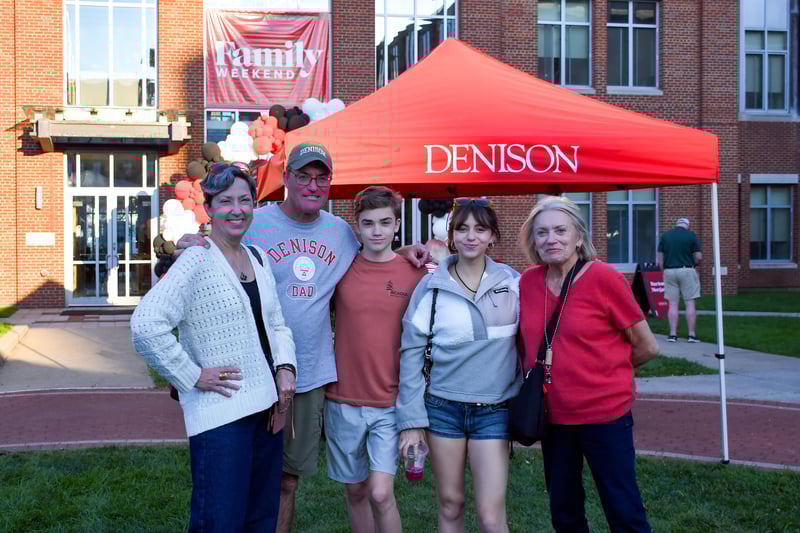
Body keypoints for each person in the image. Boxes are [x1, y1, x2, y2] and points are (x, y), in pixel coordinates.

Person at [173, 143, 428, 532]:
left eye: (321, 177)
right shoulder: (255, 220)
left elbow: (376, 253)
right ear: (287, 179)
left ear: (329, 182)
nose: (312, 185)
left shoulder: (341, 232)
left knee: (287, 479)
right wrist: (188, 242)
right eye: (303, 176)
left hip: (307, 373)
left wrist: (410, 252)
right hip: (249, 370)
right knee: (241, 471)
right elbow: (213, 245)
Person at [131, 163, 297, 532]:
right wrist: (191, 375)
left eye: (244, 200)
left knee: (260, 520)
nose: (236, 209)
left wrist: (285, 368)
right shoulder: (197, 259)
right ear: (209, 208)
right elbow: (146, 325)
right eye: (225, 201)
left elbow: (276, 324)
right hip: (221, 418)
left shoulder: (258, 258)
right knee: (219, 522)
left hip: (266, 412)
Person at [518, 195, 659, 533]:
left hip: (605, 416)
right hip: (553, 418)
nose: (551, 239)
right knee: (564, 513)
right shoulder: (527, 283)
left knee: (624, 512)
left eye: (560, 231)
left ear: (578, 236)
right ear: (533, 241)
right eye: (542, 233)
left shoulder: (605, 278)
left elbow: (646, 346)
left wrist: (604, 371)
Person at [397, 198, 521, 533]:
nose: (471, 236)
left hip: (493, 411)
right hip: (443, 409)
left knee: (491, 514)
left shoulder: (513, 284)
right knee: (450, 505)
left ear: (492, 236)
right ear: (451, 235)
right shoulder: (431, 287)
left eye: (480, 229)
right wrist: (410, 421)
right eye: (462, 228)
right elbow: (410, 353)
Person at [325, 186, 426, 533]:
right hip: (342, 397)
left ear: (397, 224)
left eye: (385, 222)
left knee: (381, 493)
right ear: (357, 227)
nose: (377, 231)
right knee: (355, 491)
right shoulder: (340, 269)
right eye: (368, 224)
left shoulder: (415, 273)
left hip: (390, 400)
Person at [657, 217, 702, 342]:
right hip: (687, 270)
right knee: (690, 302)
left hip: (669, 271)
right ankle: (691, 335)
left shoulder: (665, 236)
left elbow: (660, 259)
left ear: (676, 225)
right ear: (687, 225)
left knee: (672, 304)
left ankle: (672, 334)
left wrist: (665, 270)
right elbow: (698, 257)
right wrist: (693, 264)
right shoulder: (692, 236)